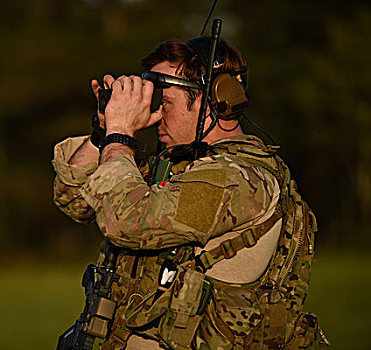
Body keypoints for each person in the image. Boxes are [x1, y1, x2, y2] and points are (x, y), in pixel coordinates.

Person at [53, 37, 329, 349]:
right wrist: (103, 132)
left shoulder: (238, 180)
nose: (155, 111)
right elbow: (74, 199)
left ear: (210, 99)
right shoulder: (178, 166)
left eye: (164, 101)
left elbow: (128, 223)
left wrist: (121, 134)